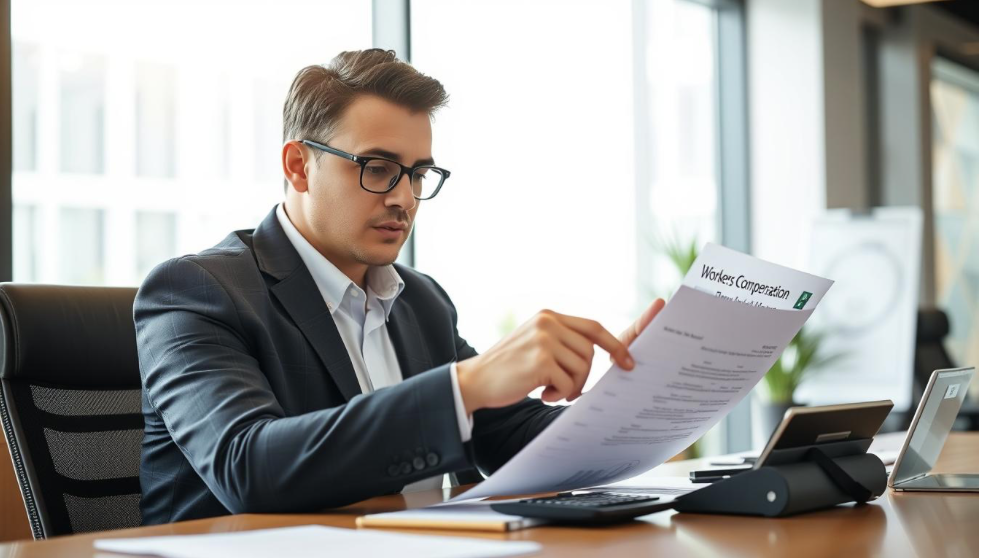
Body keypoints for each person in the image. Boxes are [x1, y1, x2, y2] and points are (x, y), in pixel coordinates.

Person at [134, 48, 665, 525]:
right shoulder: (196, 291)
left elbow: (513, 445)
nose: (404, 198)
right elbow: (248, 468)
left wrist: (632, 395)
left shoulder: (421, 301)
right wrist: (465, 386)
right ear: (299, 166)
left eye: (416, 174)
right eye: (379, 167)